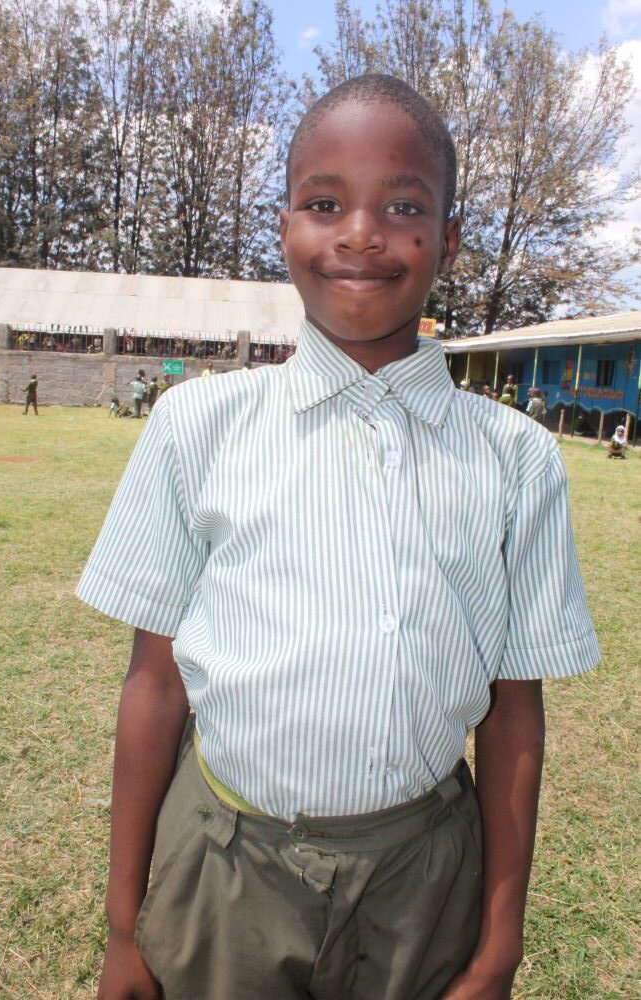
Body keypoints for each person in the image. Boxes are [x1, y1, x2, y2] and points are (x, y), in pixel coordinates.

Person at [77, 75, 600, 1000]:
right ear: (284, 227)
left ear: (447, 239)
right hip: (226, 868)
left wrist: (499, 946)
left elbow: (513, 714)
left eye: (402, 206)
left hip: (424, 881)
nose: (360, 234)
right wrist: (124, 927)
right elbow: (153, 685)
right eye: (324, 204)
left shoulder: (515, 456)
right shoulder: (197, 425)